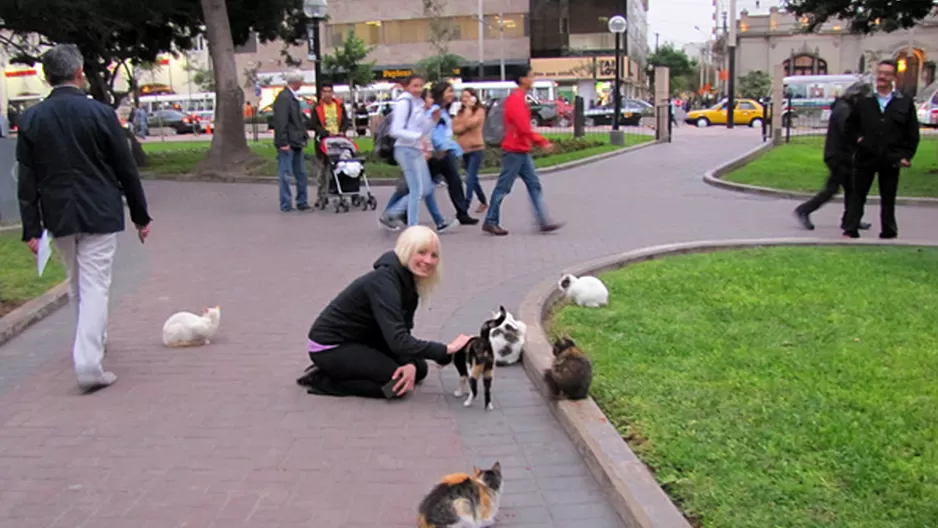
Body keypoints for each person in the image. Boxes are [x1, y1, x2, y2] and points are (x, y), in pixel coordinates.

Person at [16, 44, 152, 393]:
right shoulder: (99, 113)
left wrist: (31, 227)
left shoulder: (31, 118)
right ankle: (89, 361)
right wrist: (140, 214)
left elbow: (26, 179)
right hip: (99, 209)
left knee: (78, 282)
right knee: (94, 285)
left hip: (58, 213)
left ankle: (90, 341)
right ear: (79, 73)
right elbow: (125, 168)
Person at [297, 225, 474, 399]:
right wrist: (446, 350)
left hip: (363, 339)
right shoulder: (384, 282)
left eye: (434, 255)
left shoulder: (407, 281)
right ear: (406, 250)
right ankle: (323, 379)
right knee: (394, 386)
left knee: (419, 369)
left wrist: (409, 363)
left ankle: (350, 368)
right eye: (421, 252)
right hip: (331, 345)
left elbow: (400, 333)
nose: (428, 260)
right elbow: (398, 340)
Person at [842, 60, 921, 239]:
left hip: (891, 157)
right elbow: (850, 127)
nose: (882, 77)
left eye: (886, 74)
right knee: (858, 194)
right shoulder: (864, 101)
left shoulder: (904, 102)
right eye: (880, 73)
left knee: (888, 197)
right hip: (866, 155)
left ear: (893, 77)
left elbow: (912, 133)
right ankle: (851, 228)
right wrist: (859, 140)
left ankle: (888, 230)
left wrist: (906, 155)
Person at [482, 66, 564, 236]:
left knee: (533, 184)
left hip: (520, 149)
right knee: (503, 187)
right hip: (514, 150)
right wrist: (542, 142)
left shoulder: (519, 98)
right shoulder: (516, 100)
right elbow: (523, 127)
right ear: (522, 79)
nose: (533, 79)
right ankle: (491, 221)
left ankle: (543, 220)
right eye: (531, 76)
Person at [793, 81, 873, 231]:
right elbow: (848, 132)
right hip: (838, 156)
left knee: (850, 188)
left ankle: (850, 219)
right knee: (840, 189)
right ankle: (805, 210)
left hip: (840, 155)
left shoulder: (844, 107)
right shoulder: (844, 110)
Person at [378, 77, 453, 232]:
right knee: (416, 189)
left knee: (426, 188)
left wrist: (434, 119)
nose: (418, 89)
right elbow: (396, 130)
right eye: (414, 86)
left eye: (420, 86)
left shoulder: (417, 103)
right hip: (405, 149)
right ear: (406, 87)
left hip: (415, 149)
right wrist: (418, 136)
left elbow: (423, 128)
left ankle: (395, 216)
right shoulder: (404, 103)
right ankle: (411, 225)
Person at [272, 70, 311, 213]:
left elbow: (297, 120)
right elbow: (281, 122)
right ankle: (286, 204)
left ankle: (302, 201)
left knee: (300, 173)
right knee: (286, 174)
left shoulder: (291, 98)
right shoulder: (284, 98)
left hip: (296, 141)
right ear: (296, 82)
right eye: (301, 81)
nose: (302, 83)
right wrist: (283, 142)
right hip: (288, 142)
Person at [309, 83, 351, 206]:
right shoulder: (317, 107)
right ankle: (321, 195)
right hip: (324, 140)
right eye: (325, 91)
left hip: (339, 139)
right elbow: (313, 124)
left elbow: (345, 120)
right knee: (323, 169)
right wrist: (326, 132)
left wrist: (342, 130)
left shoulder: (338, 105)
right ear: (321, 94)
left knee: (341, 165)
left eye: (329, 91)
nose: (327, 94)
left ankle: (341, 190)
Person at [453, 87, 488, 213]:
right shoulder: (460, 112)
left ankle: (465, 205)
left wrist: (468, 110)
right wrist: (463, 123)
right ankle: (483, 201)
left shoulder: (479, 111)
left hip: (476, 148)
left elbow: (470, 124)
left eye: (467, 96)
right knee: (473, 178)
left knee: (469, 178)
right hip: (464, 149)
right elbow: (455, 128)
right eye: (463, 96)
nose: (464, 99)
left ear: (474, 97)